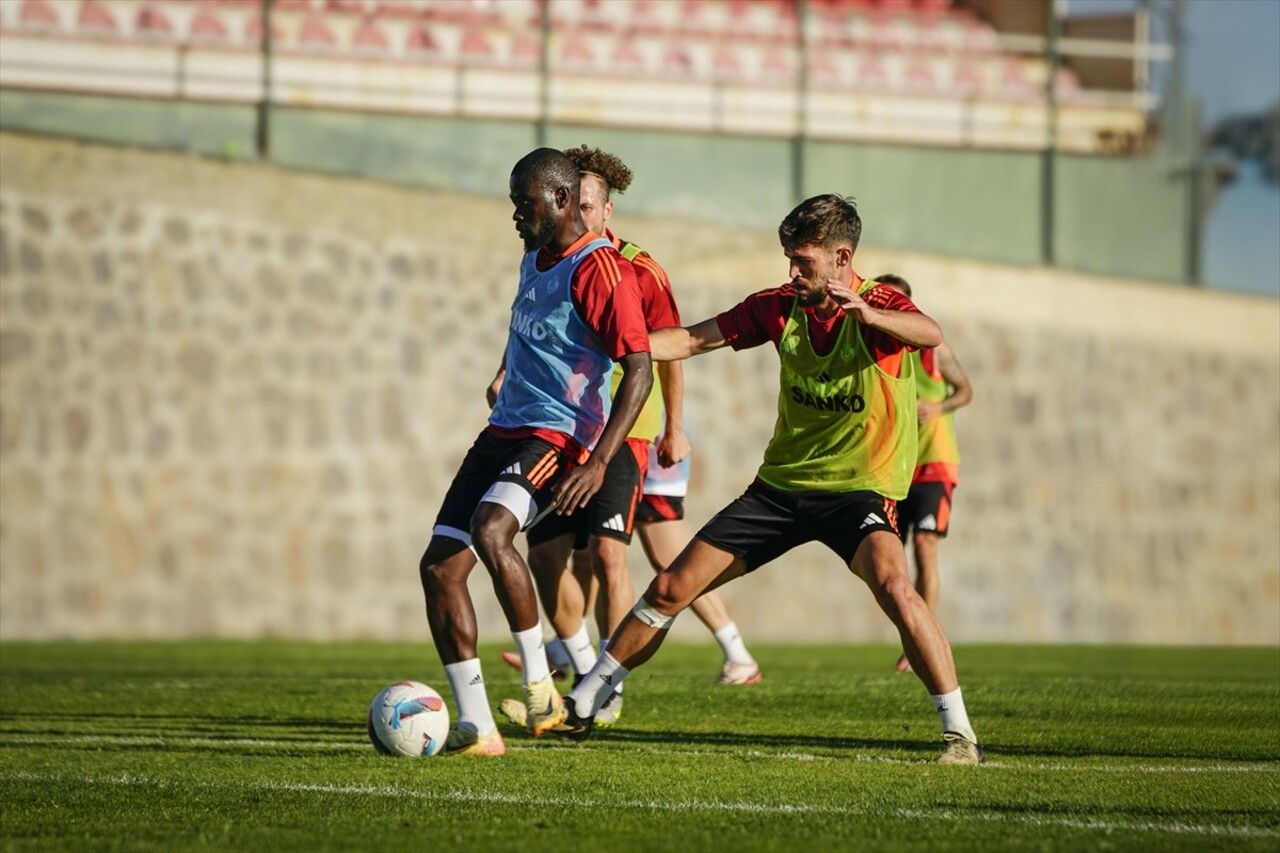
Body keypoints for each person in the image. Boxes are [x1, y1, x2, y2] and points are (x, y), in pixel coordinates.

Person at [550, 193, 983, 765]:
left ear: (841, 256)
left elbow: (928, 332)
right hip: (779, 490)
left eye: (803, 261)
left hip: (858, 491)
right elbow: (691, 339)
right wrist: (620, 347)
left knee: (897, 588)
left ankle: (959, 734)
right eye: (788, 259)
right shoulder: (779, 306)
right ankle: (584, 702)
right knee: (670, 588)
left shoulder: (881, 305)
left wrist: (871, 316)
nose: (792, 272)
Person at [495, 146, 760, 732]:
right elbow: (534, 325)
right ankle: (582, 668)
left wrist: (674, 425)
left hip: (625, 433)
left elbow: (670, 349)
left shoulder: (639, 269)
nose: (582, 217)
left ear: (605, 209)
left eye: (589, 207)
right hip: (564, 432)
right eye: (575, 206)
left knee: (617, 555)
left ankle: (605, 688)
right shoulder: (551, 259)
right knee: (545, 556)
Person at [417, 147, 653, 757]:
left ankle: (541, 686)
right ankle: (476, 727)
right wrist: (504, 370)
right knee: (440, 568)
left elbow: (639, 370)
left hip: (558, 433)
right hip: (504, 428)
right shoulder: (533, 256)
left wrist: (599, 460)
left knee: (493, 533)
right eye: (515, 205)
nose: (517, 216)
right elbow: (529, 327)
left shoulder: (600, 270)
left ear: (562, 200)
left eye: (525, 205)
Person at [874, 274, 973, 673]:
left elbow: (965, 389)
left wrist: (939, 408)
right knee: (888, 559)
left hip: (935, 463)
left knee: (925, 546)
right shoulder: (874, 349)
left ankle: (918, 644)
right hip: (896, 467)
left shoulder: (933, 348)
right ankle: (913, 638)